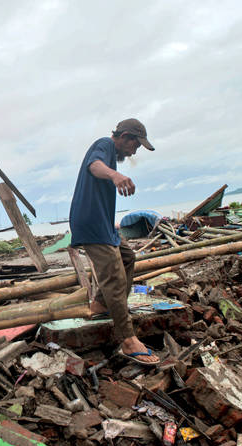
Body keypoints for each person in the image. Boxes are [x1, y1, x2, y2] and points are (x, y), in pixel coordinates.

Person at [69, 118, 160, 365]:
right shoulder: (104, 146)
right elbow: (93, 166)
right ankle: (128, 340)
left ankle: (100, 304)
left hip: (104, 224)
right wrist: (115, 176)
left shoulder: (110, 151)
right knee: (115, 276)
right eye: (135, 146)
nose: (133, 152)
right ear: (126, 137)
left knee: (128, 257)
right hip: (91, 223)